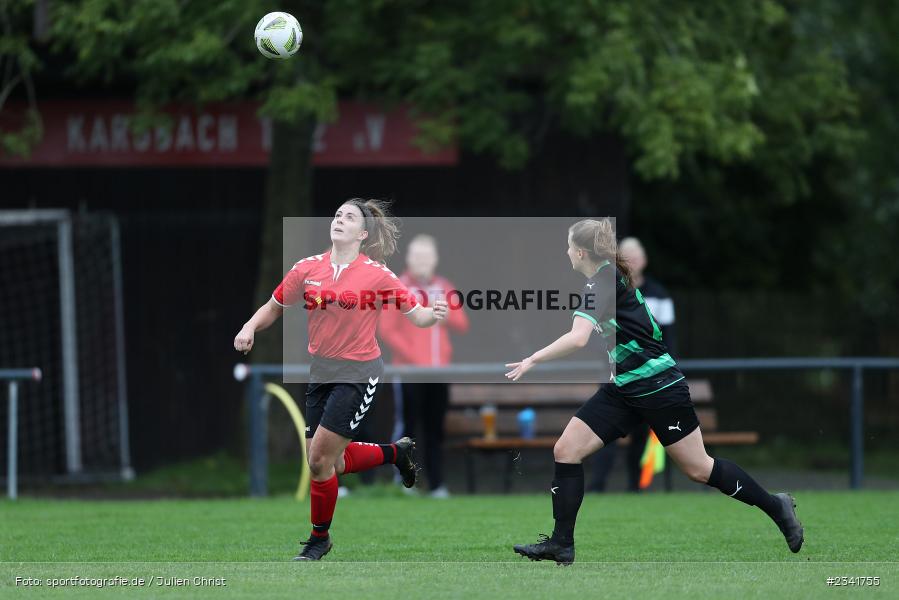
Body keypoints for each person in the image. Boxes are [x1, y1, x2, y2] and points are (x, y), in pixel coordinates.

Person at [505, 218, 802, 565]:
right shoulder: (601, 279)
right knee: (567, 449)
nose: (566, 251)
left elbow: (578, 337)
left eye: (569, 245)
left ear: (581, 251)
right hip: (625, 388)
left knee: (698, 469)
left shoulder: (599, 282)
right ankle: (561, 544)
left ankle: (776, 505)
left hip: (658, 386)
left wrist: (533, 358)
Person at [234, 199, 448, 561]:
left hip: (358, 372)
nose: (339, 220)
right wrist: (249, 326)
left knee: (320, 460)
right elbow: (273, 307)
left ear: (363, 234)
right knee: (324, 463)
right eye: (336, 215)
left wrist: (435, 314)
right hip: (321, 371)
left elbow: (418, 316)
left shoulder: (377, 274)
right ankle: (396, 453)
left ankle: (319, 539)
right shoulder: (308, 268)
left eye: (349, 217)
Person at [378, 234, 470, 497]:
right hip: (408, 372)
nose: (422, 262)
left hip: (438, 372)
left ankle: (437, 485)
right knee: (406, 427)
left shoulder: (444, 286)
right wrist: (414, 357)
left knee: (435, 429)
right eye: (417, 256)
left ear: (435, 260)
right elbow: (387, 330)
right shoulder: (398, 286)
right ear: (408, 258)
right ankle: (403, 485)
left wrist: (444, 310)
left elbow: (462, 324)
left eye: (427, 256)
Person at [589, 236, 676, 493]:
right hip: (616, 375)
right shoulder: (606, 291)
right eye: (626, 257)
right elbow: (595, 337)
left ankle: (637, 488)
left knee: (641, 433)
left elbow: (669, 340)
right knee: (607, 432)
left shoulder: (660, 296)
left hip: (649, 378)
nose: (632, 262)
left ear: (645, 261)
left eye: (636, 256)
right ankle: (597, 487)